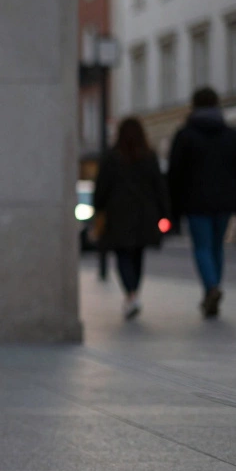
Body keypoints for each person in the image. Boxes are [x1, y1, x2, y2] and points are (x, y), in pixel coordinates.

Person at [167, 87, 236, 318]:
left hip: (195, 202)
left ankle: (211, 287)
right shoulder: (230, 135)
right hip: (224, 201)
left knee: (203, 247)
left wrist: (173, 206)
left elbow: (175, 174)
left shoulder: (185, 135)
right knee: (217, 247)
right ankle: (213, 287)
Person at [93, 117, 169, 320]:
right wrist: (165, 214)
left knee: (123, 256)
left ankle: (131, 294)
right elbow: (159, 187)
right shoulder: (149, 156)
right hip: (144, 215)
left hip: (119, 215)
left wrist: (98, 207)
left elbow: (101, 188)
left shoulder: (112, 157)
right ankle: (133, 293)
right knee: (137, 256)